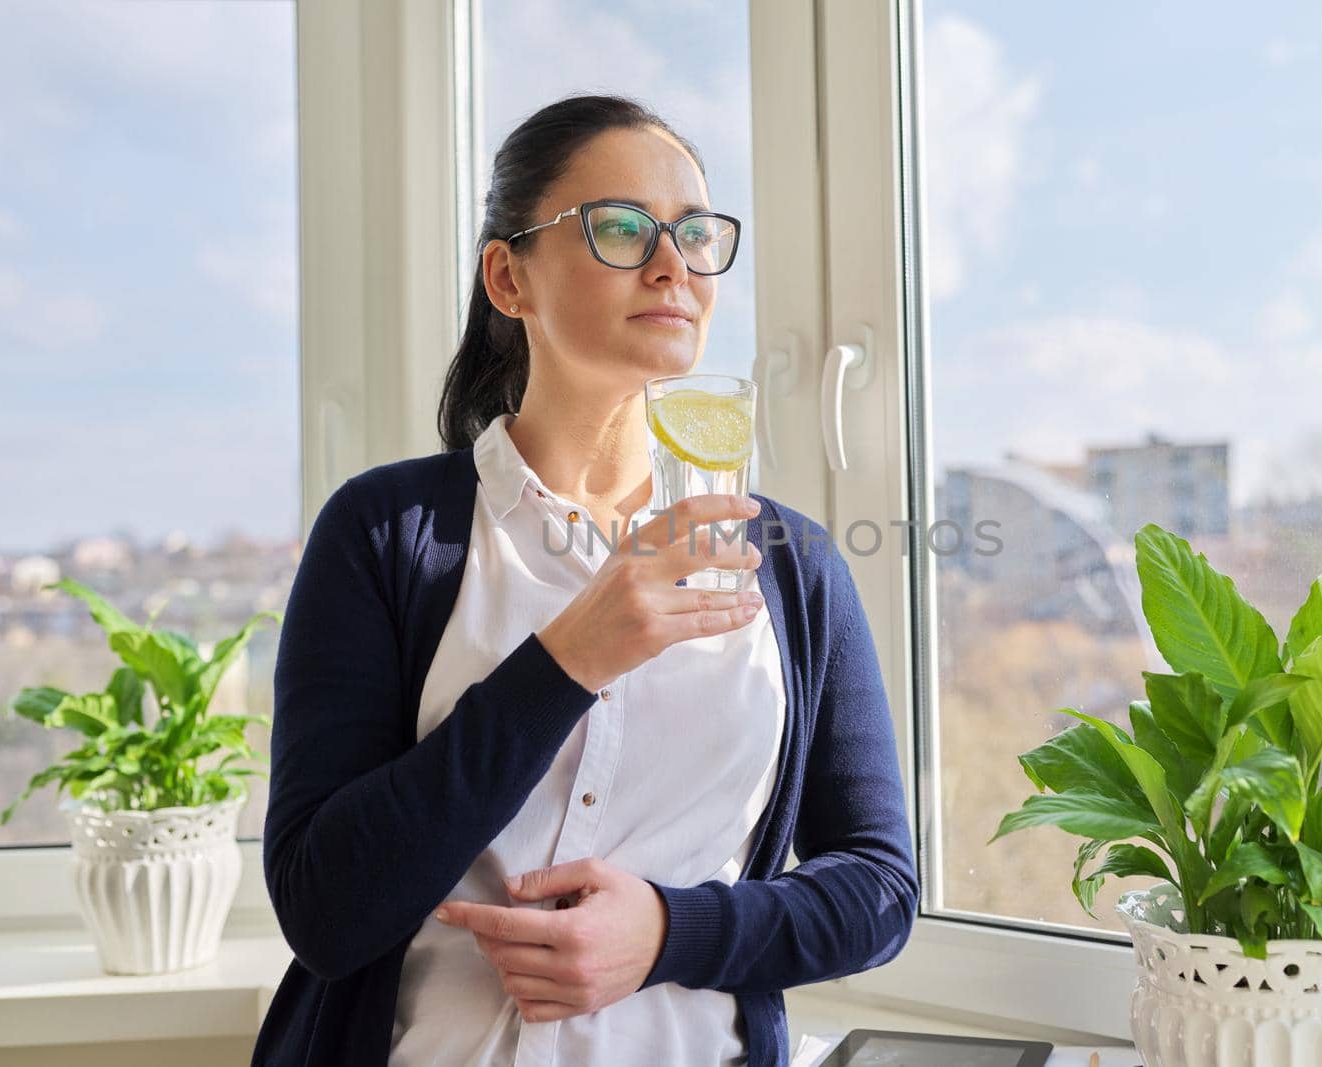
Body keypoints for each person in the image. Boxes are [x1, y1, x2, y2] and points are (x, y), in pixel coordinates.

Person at [250, 93, 917, 1067]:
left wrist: (665, 930)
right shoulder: (386, 534)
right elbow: (326, 909)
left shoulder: (794, 566)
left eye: (694, 233)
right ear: (508, 277)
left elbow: (877, 888)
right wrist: (566, 658)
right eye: (619, 227)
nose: (672, 265)